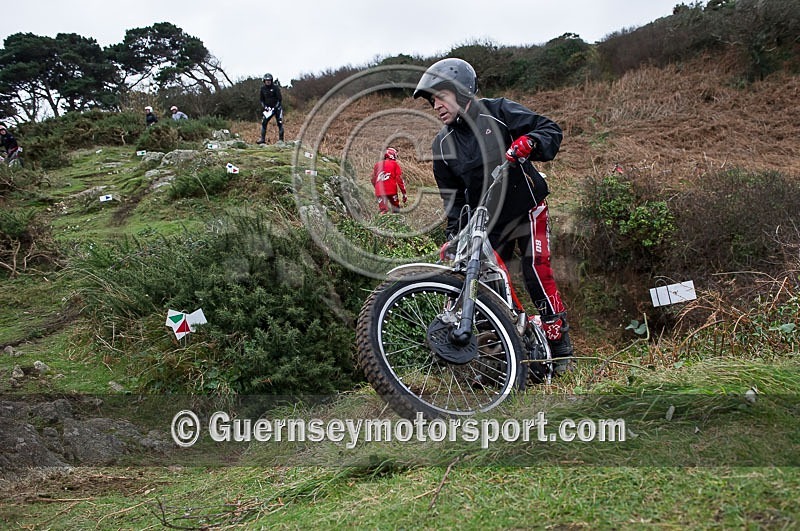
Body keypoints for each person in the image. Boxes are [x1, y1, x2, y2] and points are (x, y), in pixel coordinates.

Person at [413, 57, 573, 371]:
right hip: (488, 223)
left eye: (440, 97)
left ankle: (560, 344)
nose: (436, 106)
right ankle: (513, 351)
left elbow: (549, 130)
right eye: (432, 102)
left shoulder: (498, 112)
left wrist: (530, 142)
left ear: (461, 92)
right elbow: (455, 203)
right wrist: (452, 238)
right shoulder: (442, 145)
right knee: (489, 286)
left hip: (526, 207)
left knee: (535, 271)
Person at [371, 147, 407, 214]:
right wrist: (404, 193)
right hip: (391, 191)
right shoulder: (395, 164)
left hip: (380, 191)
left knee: (383, 210)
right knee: (396, 209)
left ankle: (380, 223)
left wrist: (377, 188)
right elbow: (399, 179)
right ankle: (396, 223)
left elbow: (372, 179)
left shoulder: (377, 165)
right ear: (392, 155)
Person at [257, 73, 284, 143]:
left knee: (280, 123)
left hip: (277, 108)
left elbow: (279, 99)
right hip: (268, 109)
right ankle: (262, 139)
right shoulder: (262, 89)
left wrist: (276, 107)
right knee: (264, 123)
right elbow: (261, 100)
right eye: (266, 80)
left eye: (269, 80)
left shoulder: (275, 88)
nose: (268, 81)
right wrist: (265, 107)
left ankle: (281, 140)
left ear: (271, 80)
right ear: (264, 81)